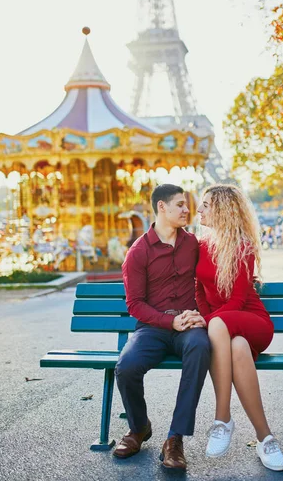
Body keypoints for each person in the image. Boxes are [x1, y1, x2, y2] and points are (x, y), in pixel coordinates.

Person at [182, 184, 283, 472]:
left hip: (252, 321)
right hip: (229, 332)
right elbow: (198, 290)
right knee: (237, 348)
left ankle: (222, 418)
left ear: (223, 209)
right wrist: (208, 317)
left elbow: (240, 298)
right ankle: (266, 439)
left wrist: (211, 320)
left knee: (222, 326)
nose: (199, 210)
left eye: (205, 204)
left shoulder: (243, 245)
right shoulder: (200, 245)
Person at [114, 184, 211, 470]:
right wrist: (169, 321)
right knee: (127, 366)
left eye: (186, 204)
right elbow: (135, 304)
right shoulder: (138, 252)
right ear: (161, 208)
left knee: (201, 346)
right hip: (152, 328)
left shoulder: (193, 244)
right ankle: (139, 427)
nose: (186, 210)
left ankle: (175, 439)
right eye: (180, 204)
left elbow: (214, 272)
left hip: (189, 325)